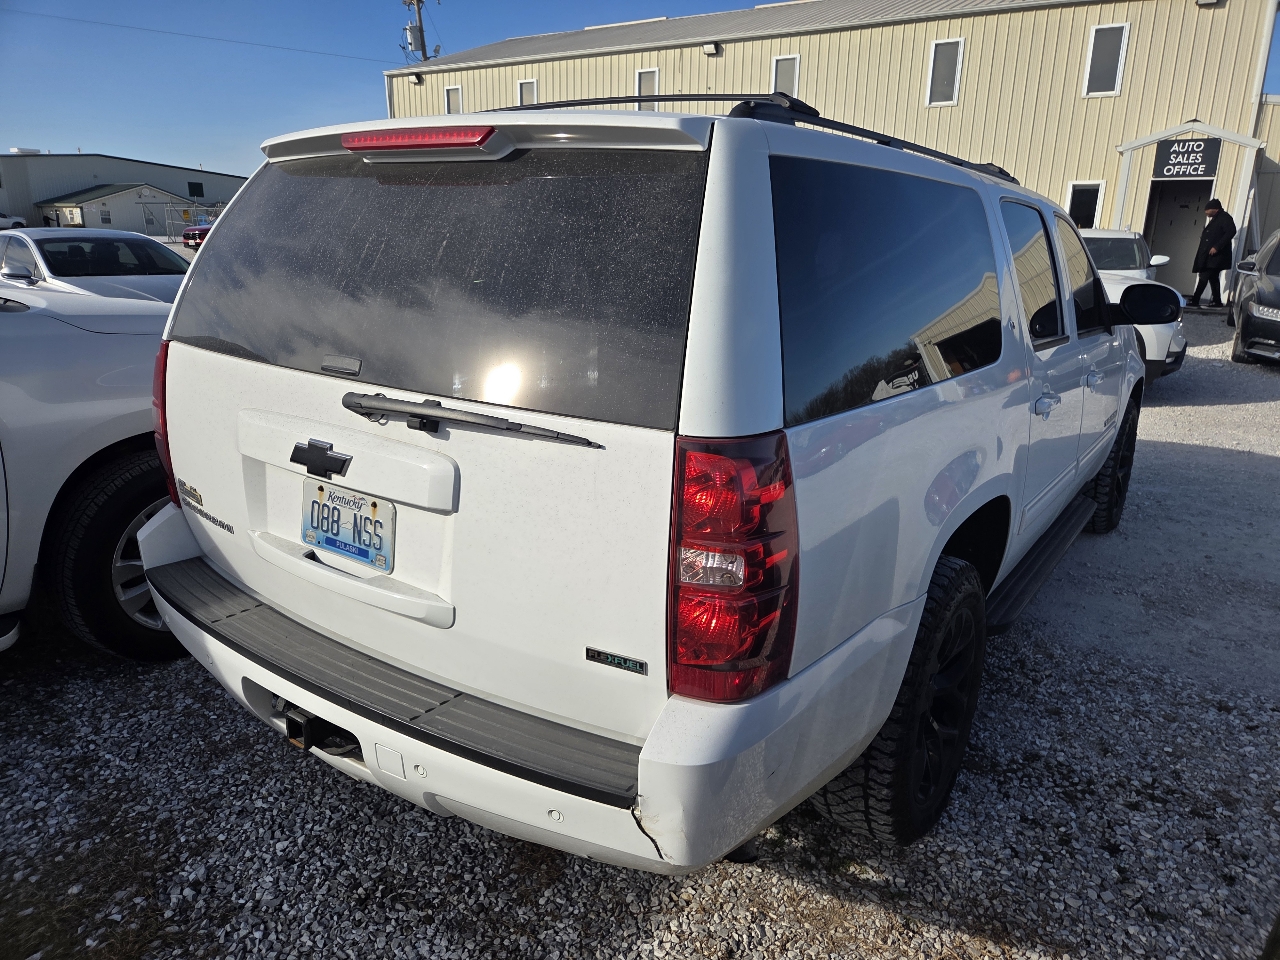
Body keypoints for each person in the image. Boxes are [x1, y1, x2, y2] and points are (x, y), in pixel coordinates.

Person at [1189, 198, 1236, 308]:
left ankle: (1195, 300)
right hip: (1210, 256)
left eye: (1207, 210)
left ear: (1215, 209)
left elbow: (1231, 232)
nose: (1206, 212)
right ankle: (1217, 301)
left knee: (1204, 276)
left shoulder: (1225, 218)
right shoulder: (1216, 219)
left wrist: (1217, 247)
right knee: (1213, 277)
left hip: (1216, 256)